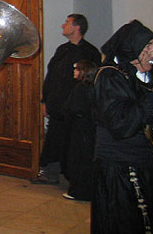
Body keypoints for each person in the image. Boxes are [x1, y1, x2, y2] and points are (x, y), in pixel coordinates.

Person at [90, 20, 153, 233]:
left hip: (143, 162)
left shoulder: (143, 75)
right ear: (131, 48)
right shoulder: (109, 76)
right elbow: (122, 124)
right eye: (147, 47)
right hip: (119, 168)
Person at [31, 14, 101, 184]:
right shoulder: (62, 50)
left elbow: (91, 82)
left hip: (76, 109)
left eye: (67, 23)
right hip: (57, 106)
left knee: (73, 143)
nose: (63, 26)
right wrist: (44, 100)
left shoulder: (90, 52)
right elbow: (52, 76)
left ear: (77, 27)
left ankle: (75, 178)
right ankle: (50, 173)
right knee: (54, 139)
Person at [62, 59, 98, 201]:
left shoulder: (80, 88)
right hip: (90, 127)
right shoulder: (93, 87)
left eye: (77, 69)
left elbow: (72, 108)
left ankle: (77, 191)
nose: (74, 72)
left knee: (78, 159)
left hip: (80, 127)